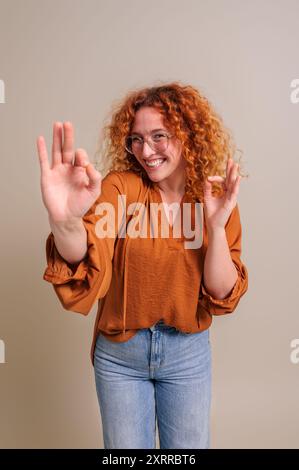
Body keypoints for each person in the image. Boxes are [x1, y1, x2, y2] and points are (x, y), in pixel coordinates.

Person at [37, 81, 249, 449]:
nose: (145, 151)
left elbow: (220, 293)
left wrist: (215, 227)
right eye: (136, 139)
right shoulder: (120, 188)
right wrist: (65, 222)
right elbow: (86, 255)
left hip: (188, 354)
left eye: (158, 136)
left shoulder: (213, 199)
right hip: (121, 357)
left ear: (187, 134)